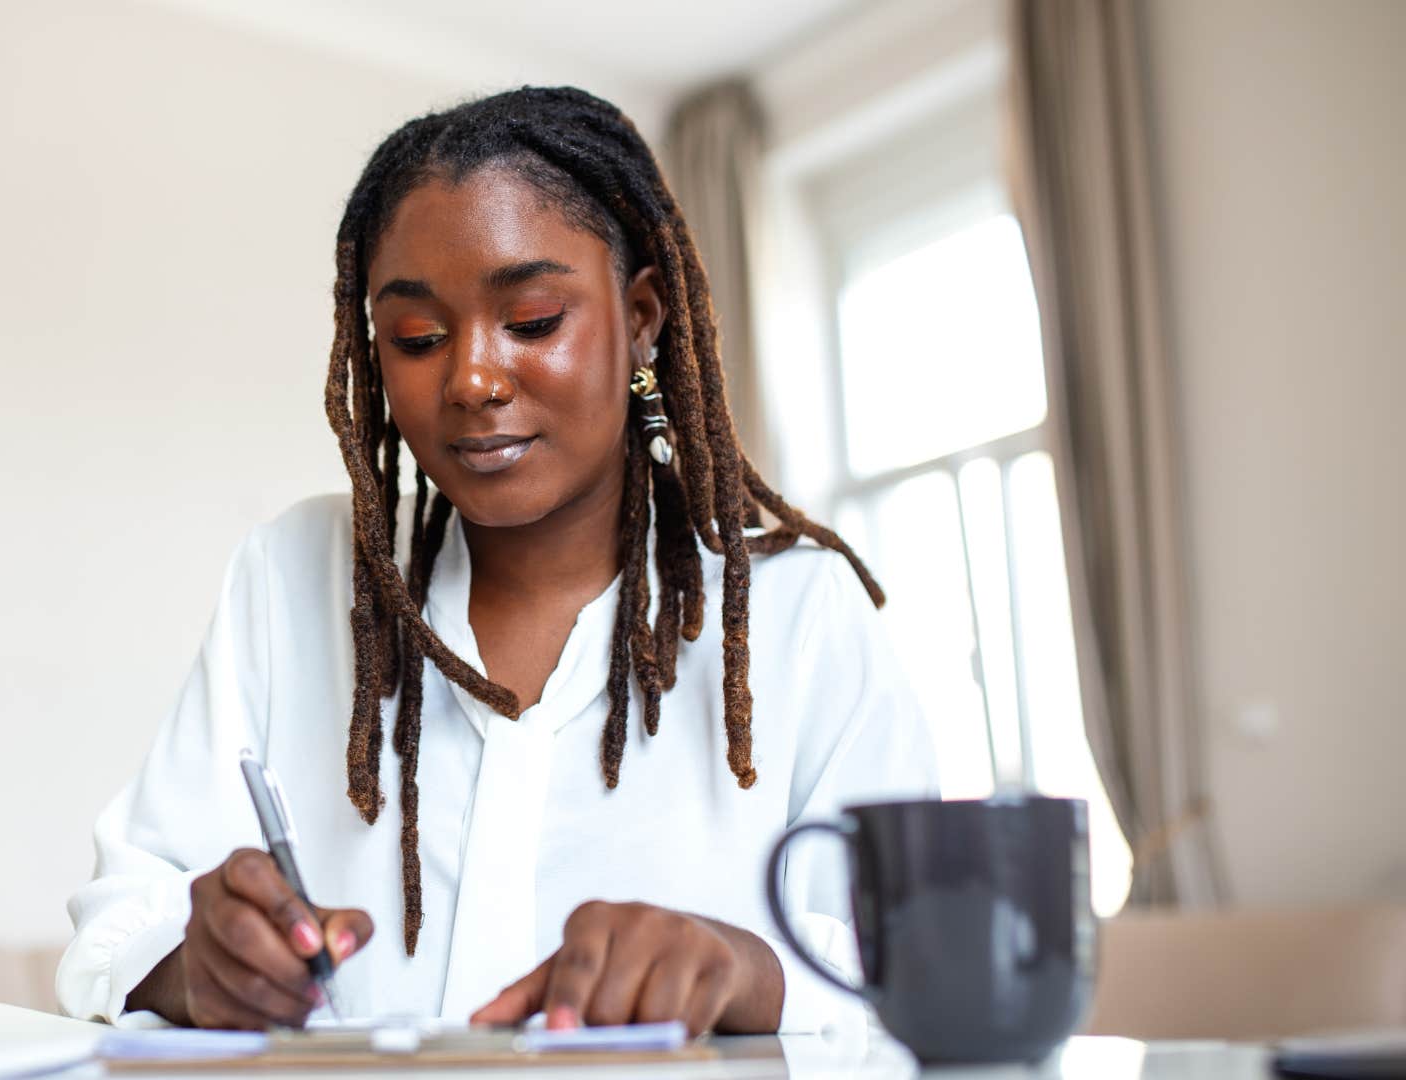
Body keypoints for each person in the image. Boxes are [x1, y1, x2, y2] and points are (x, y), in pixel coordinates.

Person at [56, 86, 936, 1036]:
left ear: (642, 317)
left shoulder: (798, 615)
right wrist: (196, 966)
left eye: (532, 321)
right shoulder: (294, 577)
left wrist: (745, 971)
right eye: (419, 338)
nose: (471, 378)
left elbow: (926, 974)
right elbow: (118, 925)